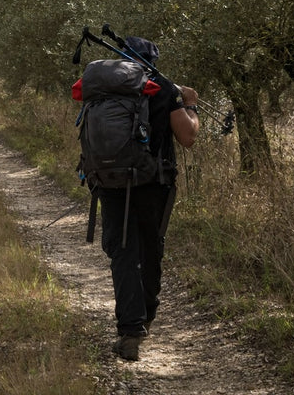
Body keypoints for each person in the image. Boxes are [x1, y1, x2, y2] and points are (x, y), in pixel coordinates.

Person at [100, 36, 199, 361]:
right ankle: (147, 316)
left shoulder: (106, 86)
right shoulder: (164, 88)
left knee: (123, 253)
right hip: (153, 184)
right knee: (150, 248)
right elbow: (187, 137)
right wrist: (189, 105)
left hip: (111, 182)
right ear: (151, 59)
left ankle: (130, 332)